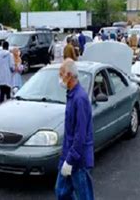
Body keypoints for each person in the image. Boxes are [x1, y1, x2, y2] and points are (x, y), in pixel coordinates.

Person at [55, 59, 94, 200]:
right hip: (69, 155)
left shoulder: (80, 98)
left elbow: (80, 134)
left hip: (78, 159)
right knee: (61, 191)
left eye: (61, 74)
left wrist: (70, 159)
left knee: (84, 196)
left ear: (69, 75)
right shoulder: (72, 95)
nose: (60, 78)